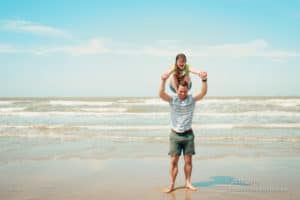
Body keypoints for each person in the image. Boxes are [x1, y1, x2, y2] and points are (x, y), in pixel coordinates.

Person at [159, 67, 208, 193]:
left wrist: (204, 80)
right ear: (177, 90)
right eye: (180, 91)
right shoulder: (173, 100)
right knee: (174, 161)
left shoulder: (191, 100)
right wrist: (163, 81)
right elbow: (161, 94)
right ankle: (171, 184)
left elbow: (203, 93)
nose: (182, 94)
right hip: (175, 136)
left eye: (185, 92)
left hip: (188, 135)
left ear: (187, 90)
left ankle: (188, 182)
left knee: (188, 161)